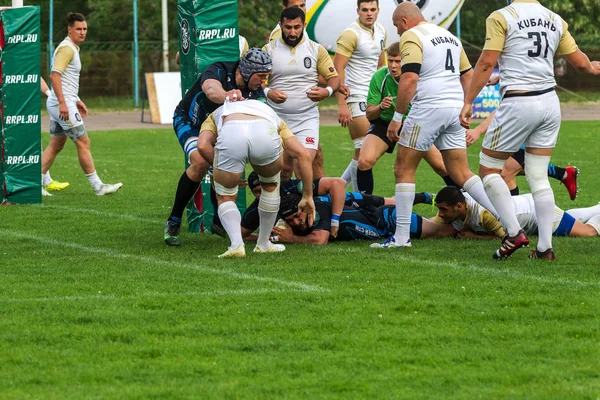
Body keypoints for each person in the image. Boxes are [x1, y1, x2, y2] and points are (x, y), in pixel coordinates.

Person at [460, 0, 600, 260]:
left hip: (519, 101)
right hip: (550, 102)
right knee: (537, 175)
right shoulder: (555, 18)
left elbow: (486, 62)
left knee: (489, 169)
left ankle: (514, 232)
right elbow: (580, 63)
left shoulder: (502, 16)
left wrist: (469, 101)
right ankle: (545, 248)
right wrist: (592, 67)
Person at [372, 3, 497, 249]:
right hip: (453, 108)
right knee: (462, 173)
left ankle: (400, 238)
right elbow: (467, 76)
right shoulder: (450, 36)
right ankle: (509, 222)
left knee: (403, 168)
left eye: (397, 26)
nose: (398, 32)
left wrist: (397, 118)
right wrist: (467, 104)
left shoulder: (412, 35)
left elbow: (409, 78)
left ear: (405, 21)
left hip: (429, 108)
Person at [163, 48, 272, 247]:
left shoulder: (256, 92)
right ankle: (173, 221)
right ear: (247, 72)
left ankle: (217, 220)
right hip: (190, 122)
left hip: (218, 129)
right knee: (201, 161)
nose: (264, 82)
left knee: (223, 166)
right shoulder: (220, 70)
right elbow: (211, 90)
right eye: (261, 77)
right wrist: (228, 96)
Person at [197, 99, 316, 258]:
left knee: (225, 195)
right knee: (271, 186)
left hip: (232, 133)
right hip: (264, 133)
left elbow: (203, 145)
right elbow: (303, 155)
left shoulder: (215, 114)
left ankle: (236, 245)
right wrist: (307, 196)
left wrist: (221, 168)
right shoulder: (272, 115)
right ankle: (264, 244)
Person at [357, 42, 459, 194]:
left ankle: (464, 204)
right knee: (364, 161)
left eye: (397, 61)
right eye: (390, 60)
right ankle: (365, 207)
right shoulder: (380, 76)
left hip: (414, 125)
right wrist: (380, 107)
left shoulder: (419, 78)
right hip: (386, 122)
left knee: (441, 166)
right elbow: (370, 114)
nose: (393, 65)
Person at [42, 13, 122, 197]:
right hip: (61, 104)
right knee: (83, 142)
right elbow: (54, 75)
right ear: (69, 29)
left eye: (85, 29)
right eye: (78, 29)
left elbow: (66, 78)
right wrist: (64, 103)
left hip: (61, 102)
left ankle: (35, 183)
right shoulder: (67, 49)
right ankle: (98, 186)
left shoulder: (72, 48)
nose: (82, 32)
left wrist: (76, 99)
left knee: (56, 144)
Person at [262, 7, 340, 179]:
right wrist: (268, 92)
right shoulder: (269, 50)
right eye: (288, 27)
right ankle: (281, 204)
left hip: (306, 118)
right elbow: (256, 81)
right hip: (277, 118)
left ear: (304, 25)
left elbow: (334, 78)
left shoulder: (316, 49)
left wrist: (326, 92)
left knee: (303, 165)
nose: (292, 32)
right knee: (282, 169)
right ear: (281, 25)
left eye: (297, 27)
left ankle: (305, 203)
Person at [434, 186, 600, 247]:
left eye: (443, 210)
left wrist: (474, 236)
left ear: (459, 207)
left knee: (588, 232)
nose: (441, 214)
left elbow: (504, 238)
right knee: (564, 221)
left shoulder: (483, 214)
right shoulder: (458, 203)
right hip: (527, 208)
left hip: (535, 211)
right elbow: (436, 224)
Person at [334, 0, 386, 191]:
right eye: (365, 10)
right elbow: (337, 68)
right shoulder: (351, 34)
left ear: (378, 10)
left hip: (373, 98)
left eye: (373, 9)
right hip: (355, 96)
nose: (369, 13)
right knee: (364, 150)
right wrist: (342, 104)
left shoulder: (381, 30)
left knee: (364, 152)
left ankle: (336, 188)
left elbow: (381, 66)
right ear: (358, 11)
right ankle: (359, 200)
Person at [466, 110, 579, 199]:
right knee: (510, 173)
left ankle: (514, 220)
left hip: (526, 133)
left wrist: (478, 130)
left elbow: (502, 112)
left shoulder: (521, 88)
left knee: (504, 174)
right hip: (526, 127)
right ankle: (563, 174)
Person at [272, 192, 455, 245]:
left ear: (305, 207)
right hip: (378, 216)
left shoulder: (318, 209)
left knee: (445, 232)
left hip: (389, 219)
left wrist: (291, 238)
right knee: (438, 226)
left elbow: (320, 239)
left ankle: (478, 230)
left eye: (297, 216)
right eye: (290, 222)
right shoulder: (297, 216)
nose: (296, 222)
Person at [39, 77, 69, 196]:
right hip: (9, 103)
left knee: (35, 142)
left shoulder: (23, 61)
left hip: (21, 105)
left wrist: (49, 93)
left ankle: (46, 180)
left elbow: (34, 75)